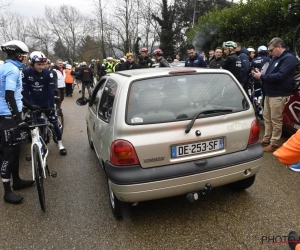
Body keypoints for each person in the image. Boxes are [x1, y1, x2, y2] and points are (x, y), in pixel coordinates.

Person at [0, 40, 35, 204]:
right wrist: (17, 119)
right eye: (25, 56)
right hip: (7, 117)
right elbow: (8, 96)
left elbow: (17, 95)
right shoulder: (12, 70)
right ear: (19, 55)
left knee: (16, 151)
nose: (26, 59)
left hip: (9, 114)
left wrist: (31, 106)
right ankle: (7, 192)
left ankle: (17, 181)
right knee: (9, 154)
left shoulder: (8, 67)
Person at [252, 37, 297, 152]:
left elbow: (280, 76)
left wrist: (261, 76)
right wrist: (261, 74)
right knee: (267, 118)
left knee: (276, 120)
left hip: (279, 94)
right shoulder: (274, 58)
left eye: (271, 50)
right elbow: (268, 73)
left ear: (279, 47)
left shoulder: (289, 58)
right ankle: (267, 139)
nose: (270, 53)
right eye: (269, 51)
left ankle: (274, 143)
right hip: (269, 93)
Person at [22, 51, 67, 156]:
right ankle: (41, 145)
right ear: (31, 63)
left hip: (46, 102)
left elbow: (50, 90)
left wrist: (51, 105)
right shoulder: (26, 73)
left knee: (55, 123)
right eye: (39, 64)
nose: (42, 66)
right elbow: (25, 91)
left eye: (43, 64)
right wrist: (28, 105)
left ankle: (60, 144)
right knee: (39, 125)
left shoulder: (48, 73)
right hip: (34, 103)